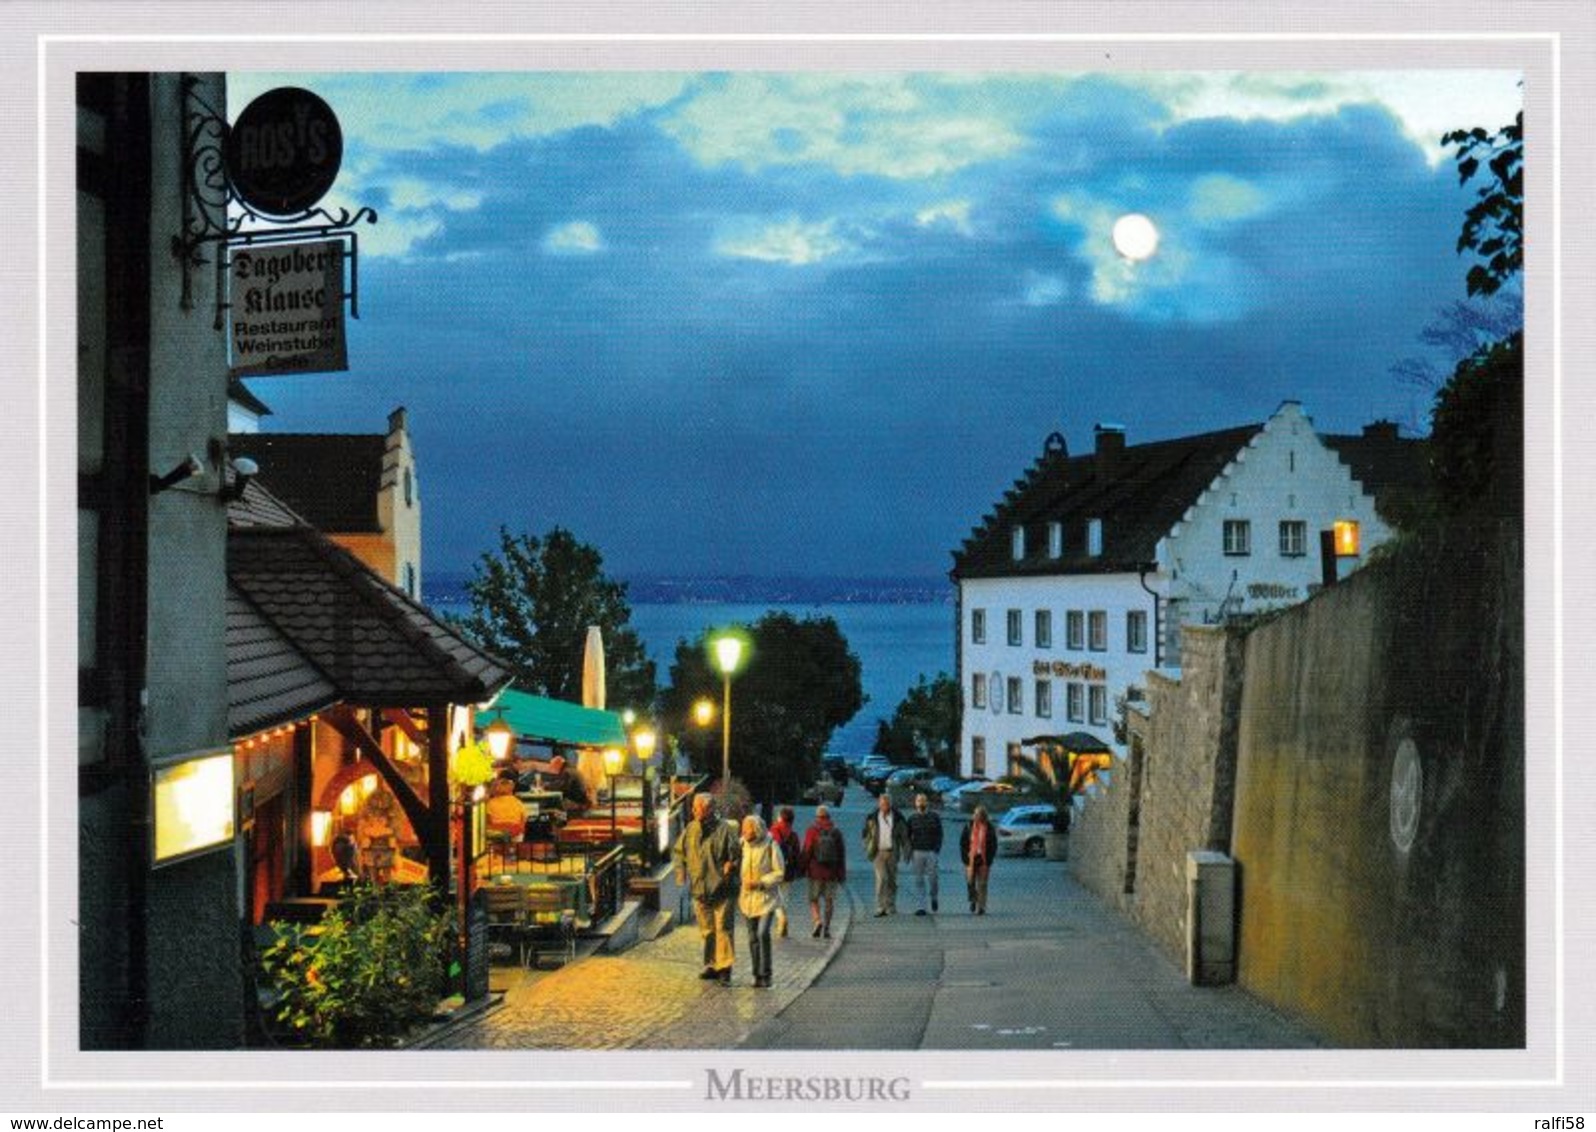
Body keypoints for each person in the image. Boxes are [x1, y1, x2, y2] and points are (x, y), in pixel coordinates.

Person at [672, 792, 740, 984]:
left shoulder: (724, 830)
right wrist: (680, 872)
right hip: (700, 889)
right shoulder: (691, 828)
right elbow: (679, 852)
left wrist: (731, 865)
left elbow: (736, 855)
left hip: (722, 889)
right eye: (693, 807)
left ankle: (725, 968)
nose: (693, 810)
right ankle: (711, 964)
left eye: (697, 807)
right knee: (708, 930)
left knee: (724, 928)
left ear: (709, 809)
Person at [737, 814, 786, 989]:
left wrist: (761, 882)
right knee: (752, 937)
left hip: (766, 898)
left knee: (762, 933)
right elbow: (735, 864)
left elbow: (780, 872)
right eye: (743, 827)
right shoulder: (741, 844)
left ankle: (767, 973)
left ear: (756, 829)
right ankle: (757, 975)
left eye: (747, 827)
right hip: (747, 899)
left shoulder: (770, 844)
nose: (743, 830)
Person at [799, 804, 845, 939]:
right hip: (832, 873)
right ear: (829, 817)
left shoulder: (812, 831)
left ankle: (817, 921)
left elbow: (807, 851)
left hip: (815, 872)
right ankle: (827, 928)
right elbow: (841, 854)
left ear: (817, 817)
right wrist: (841, 873)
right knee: (829, 901)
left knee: (813, 899)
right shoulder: (836, 832)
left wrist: (802, 868)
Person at [862, 791, 911, 917]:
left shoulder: (898, 817)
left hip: (892, 852)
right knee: (882, 878)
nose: (884, 806)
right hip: (878, 852)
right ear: (879, 804)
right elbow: (866, 833)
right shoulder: (872, 817)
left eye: (887, 804)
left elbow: (904, 836)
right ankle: (880, 907)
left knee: (892, 880)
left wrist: (906, 851)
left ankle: (890, 905)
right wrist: (867, 846)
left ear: (890, 805)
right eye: (882, 804)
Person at [906, 792, 944, 915]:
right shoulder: (912, 819)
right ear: (915, 803)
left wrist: (937, 848)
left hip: (931, 851)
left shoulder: (934, 817)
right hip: (917, 851)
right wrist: (909, 850)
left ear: (927, 802)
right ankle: (921, 906)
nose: (921, 803)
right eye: (919, 801)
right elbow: (907, 836)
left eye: (923, 800)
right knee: (919, 880)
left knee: (933, 878)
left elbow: (940, 834)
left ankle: (934, 897)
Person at [768, 805, 802, 938]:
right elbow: (798, 854)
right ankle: (782, 921)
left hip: (775, 869)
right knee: (785, 897)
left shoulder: (773, 831)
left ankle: (781, 919)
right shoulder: (793, 835)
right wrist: (798, 871)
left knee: (775, 897)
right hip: (788, 871)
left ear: (781, 817)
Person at [959, 804, 997, 915]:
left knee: (983, 884)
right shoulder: (968, 826)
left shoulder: (989, 827)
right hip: (971, 858)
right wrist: (965, 858)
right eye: (974, 814)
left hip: (983, 858)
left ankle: (981, 907)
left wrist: (990, 859)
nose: (975, 816)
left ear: (983, 816)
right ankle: (973, 900)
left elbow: (993, 845)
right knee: (970, 882)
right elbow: (963, 843)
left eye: (977, 814)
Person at [484, 773, 528, 839]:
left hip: (496, 832)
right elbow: (523, 819)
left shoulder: (490, 803)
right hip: (514, 833)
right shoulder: (518, 803)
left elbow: (487, 820)